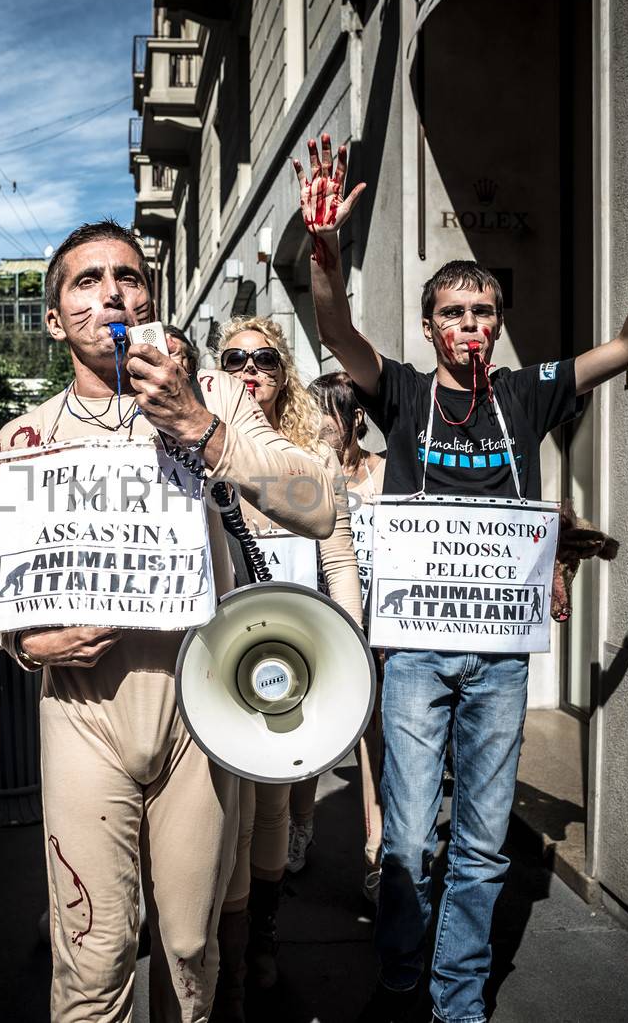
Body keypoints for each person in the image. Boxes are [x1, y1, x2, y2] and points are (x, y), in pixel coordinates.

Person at [293, 133, 628, 1022]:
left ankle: (460, 997)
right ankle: (401, 970)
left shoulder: (527, 393)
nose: (472, 326)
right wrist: (323, 247)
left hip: (500, 659)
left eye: (485, 312)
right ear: (432, 326)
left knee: (480, 845)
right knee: (406, 840)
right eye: (456, 314)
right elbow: (334, 329)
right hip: (412, 654)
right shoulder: (399, 390)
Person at [0, 220, 337, 1022]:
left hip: (195, 707)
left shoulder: (217, 396)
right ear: (52, 315)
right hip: (83, 712)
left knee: (186, 946)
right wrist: (26, 643)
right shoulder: (22, 438)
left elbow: (317, 506)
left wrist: (197, 425)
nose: (112, 291)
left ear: (151, 297)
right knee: (95, 950)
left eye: (129, 277)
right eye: (86, 279)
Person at [209, 317, 362, 1019]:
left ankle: (257, 942)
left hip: (293, 662)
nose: (249, 368)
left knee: (271, 805)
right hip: (215, 660)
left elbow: (338, 560)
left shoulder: (308, 458)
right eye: (233, 357)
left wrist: (352, 648)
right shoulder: (199, 449)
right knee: (222, 812)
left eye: (264, 357)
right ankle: (221, 953)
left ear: (284, 372)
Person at [309, 370, 387, 901]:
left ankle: (376, 849)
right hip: (318, 622)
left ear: (354, 418)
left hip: (379, 625)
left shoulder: (388, 472)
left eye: (328, 414)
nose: (318, 426)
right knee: (306, 732)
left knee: (372, 740)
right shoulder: (305, 472)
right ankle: (295, 825)